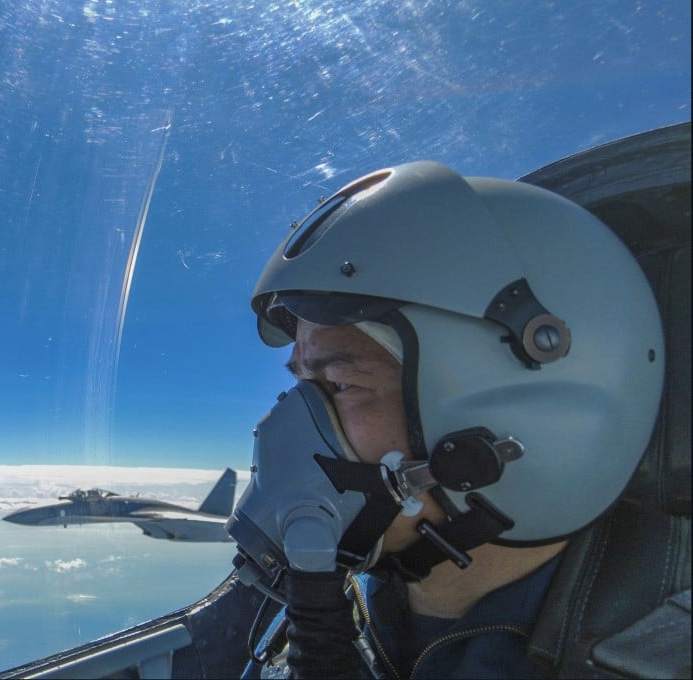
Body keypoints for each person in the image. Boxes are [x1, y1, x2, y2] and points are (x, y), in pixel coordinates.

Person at [238, 161, 665, 678]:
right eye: (302, 384)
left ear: (513, 410)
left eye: (341, 384)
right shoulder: (329, 607)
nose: (292, 426)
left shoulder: (651, 655)